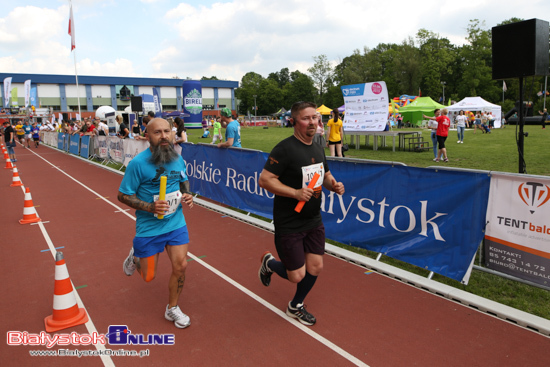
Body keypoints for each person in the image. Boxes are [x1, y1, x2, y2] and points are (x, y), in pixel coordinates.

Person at [258, 101, 345, 326]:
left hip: (313, 219)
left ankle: (295, 305)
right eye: (306, 118)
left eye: (315, 117)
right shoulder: (284, 149)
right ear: (294, 121)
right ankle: (270, 264)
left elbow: (325, 175)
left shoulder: (317, 145)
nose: (313, 122)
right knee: (296, 274)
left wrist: (333, 185)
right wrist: (295, 193)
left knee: (315, 267)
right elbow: (265, 180)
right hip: (289, 221)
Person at [117, 118, 194, 329]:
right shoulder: (138, 164)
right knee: (149, 277)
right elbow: (123, 195)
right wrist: (150, 207)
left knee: (181, 265)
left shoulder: (177, 158)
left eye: (167, 131)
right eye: (157, 132)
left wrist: (187, 194)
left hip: (175, 222)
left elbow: (183, 179)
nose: (163, 136)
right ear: (147, 135)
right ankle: (135, 257)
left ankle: (172, 308)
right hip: (149, 226)